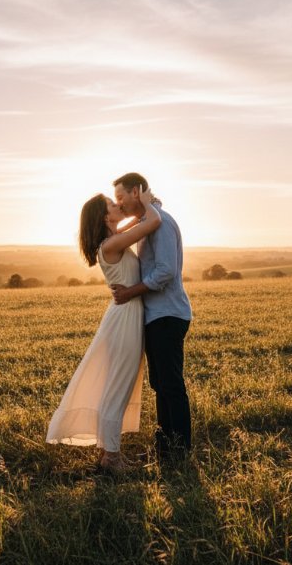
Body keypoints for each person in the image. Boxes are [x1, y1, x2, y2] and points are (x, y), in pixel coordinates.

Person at [46, 187, 161, 472]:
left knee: (119, 385)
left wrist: (144, 210)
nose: (117, 204)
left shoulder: (113, 241)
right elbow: (153, 223)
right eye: (112, 204)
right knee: (118, 387)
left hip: (126, 315)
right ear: (103, 217)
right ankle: (111, 457)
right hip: (124, 319)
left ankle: (109, 452)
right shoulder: (110, 247)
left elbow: (136, 224)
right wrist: (148, 204)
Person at [110, 173, 193, 463]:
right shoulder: (149, 223)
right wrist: (148, 207)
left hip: (168, 313)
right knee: (160, 383)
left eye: (121, 197)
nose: (119, 204)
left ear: (136, 192)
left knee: (170, 384)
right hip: (156, 315)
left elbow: (166, 272)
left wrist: (131, 291)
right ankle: (165, 448)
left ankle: (179, 453)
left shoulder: (162, 224)